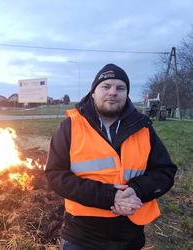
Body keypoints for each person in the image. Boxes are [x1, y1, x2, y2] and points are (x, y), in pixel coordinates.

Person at [45, 63, 177, 250]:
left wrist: (137, 190)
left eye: (120, 88)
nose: (113, 92)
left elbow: (165, 171)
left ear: (126, 94)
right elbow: (55, 174)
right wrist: (109, 197)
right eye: (106, 86)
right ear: (93, 92)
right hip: (82, 234)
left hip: (129, 234)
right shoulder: (70, 127)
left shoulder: (144, 128)